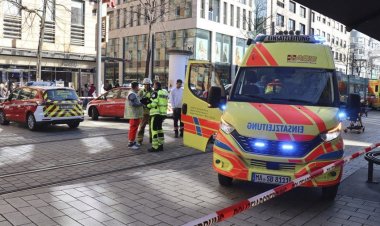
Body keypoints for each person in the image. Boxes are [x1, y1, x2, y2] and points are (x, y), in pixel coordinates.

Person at [147, 81, 168, 152]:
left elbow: (154, 103)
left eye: (154, 85)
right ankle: (161, 145)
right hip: (162, 114)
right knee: (160, 129)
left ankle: (155, 147)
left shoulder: (155, 93)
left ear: (156, 86)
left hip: (155, 114)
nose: (153, 86)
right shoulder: (164, 93)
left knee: (154, 130)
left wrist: (147, 105)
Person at [124, 82, 144, 150]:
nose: (139, 88)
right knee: (133, 128)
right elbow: (133, 104)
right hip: (133, 114)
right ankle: (131, 143)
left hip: (135, 114)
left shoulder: (134, 93)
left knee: (134, 128)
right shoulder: (132, 94)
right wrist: (142, 103)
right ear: (135, 87)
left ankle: (133, 141)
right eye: (138, 86)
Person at [137, 78, 153, 145]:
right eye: (145, 84)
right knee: (142, 126)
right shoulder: (141, 91)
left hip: (151, 111)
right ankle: (139, 140)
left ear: (150, 85)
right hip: (144, 112)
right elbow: (137, 100)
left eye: (148, 84)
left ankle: (151, 139)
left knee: (151, 127)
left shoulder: (152, 92)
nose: (146, 86)